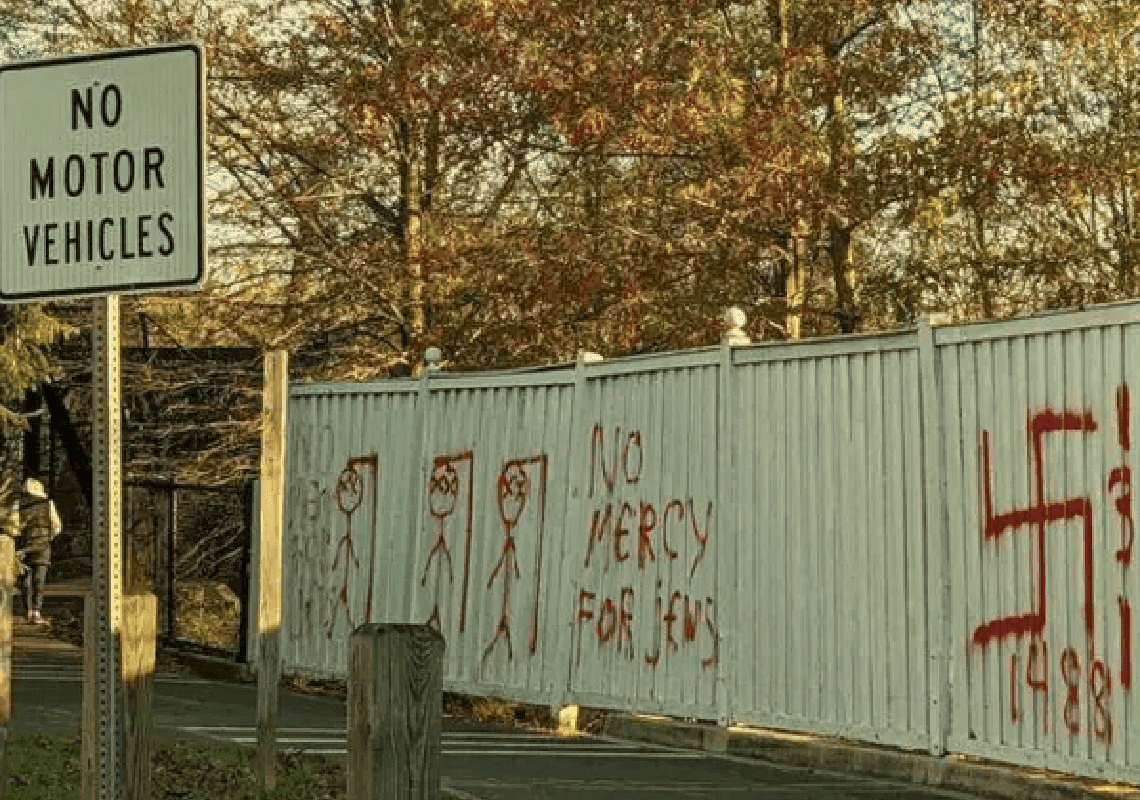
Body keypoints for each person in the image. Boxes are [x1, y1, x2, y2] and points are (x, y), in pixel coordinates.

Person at [19, 477, 61, 625]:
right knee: (39, 579)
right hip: (42, 545)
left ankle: (29, 611)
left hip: (25, 545)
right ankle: (36, 612)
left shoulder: (21, 506)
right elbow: (56, 526)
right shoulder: (47, 504)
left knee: (26, 579)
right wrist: (48, 537)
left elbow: (16, 526)